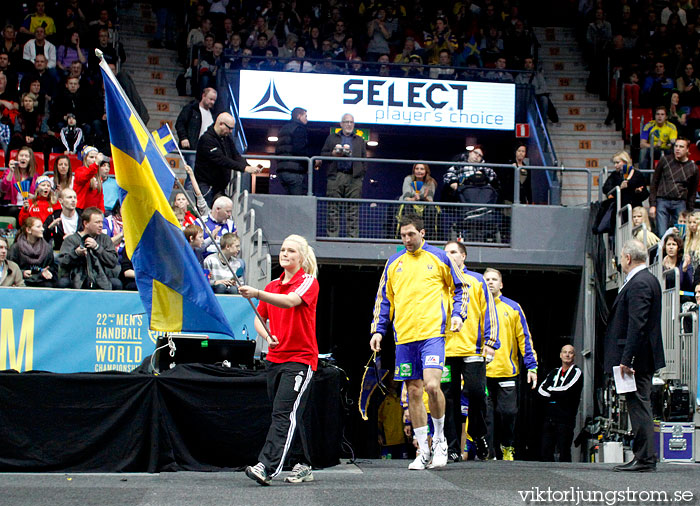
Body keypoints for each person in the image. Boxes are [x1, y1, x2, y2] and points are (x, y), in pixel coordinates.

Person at [370, 215, 467, 470]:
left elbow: (461, 288)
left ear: (422, 233)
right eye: (402, 236)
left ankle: (441, 441)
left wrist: (458, 314)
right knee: (413, 391)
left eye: (411, 234)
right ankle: (423, 449)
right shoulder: (394, 262)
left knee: (433, 386)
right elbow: (384, 299)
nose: (406, 240)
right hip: (404, 337)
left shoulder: (439, 257)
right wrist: (378, 331)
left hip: (433, 333)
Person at [239, 234, 319, 486]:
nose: (285, 254)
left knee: (283, 413)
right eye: (283, 250)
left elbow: (290, 301)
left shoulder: (308, 282)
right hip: (275, 358)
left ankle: (267, 466)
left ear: (302, 258)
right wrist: (267, 335)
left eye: (291, 251)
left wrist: (257, 293)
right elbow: (258, 319)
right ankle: (303, 463)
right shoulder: (273, 285)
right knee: (287, 413)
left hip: (300, 359)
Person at [604, 239, 664, 472]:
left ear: (627, 258)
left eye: (621, 257)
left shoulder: (639, 282)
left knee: (639, 404)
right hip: (638, 355)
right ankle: (643, 455)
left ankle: (646, 458)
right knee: (637, 403)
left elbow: (637, 325)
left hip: (636, 358)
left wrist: (627, 359)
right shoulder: (647, 279)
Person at [442, 241, 498, 462]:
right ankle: (453, 447)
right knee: (448, 399)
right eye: (446, 253)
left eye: (453, 252)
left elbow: (489, 310)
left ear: (463, 256)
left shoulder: (476, 280)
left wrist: (491, 341)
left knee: (476, 393)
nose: (449, 256)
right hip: (445, 349)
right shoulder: (440, 280)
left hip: (473, 348)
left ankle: (478, 433)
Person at [483, 268, 538, 461]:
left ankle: (506, 445)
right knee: (485, 415)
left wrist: (532, 366)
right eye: (487, 279)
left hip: (507, 371)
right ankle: (487, 452)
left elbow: (524, 338)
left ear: (501, 284)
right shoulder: (477, 308)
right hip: (482, 373)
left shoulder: (513, 307)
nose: (490, 282)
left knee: (508, 413)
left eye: (494, 279)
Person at [193, 112, 261, 207]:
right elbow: (222, 160)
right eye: (229, 128)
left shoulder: (226, 138)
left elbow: (235, 155)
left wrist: (249, 166)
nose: (230, 132)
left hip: (219, 187)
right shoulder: (206, 140)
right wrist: (244, 168)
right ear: (221, 124)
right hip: (206, 186)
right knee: (205, 215)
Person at [317, 113, 367, 237]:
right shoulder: (331, 138)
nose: (349, 125)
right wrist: (333, 154)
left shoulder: (360, 140)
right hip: (336, 176)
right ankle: (332, 238)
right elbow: (323, 156)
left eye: (351, 122)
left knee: (353, 210)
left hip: (354, 178)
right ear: (341, 124)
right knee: (333, 209)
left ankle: (352, 239)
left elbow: (365, 160)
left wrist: (360, 175)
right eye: (346, 122)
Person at [538, 344, 583, 462]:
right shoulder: (554, 372)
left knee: (564, 450)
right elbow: (541, 389)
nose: (567, 355)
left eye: (570, 352)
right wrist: (555, 393)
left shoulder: (576, 372)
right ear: (560, 355)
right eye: (564, 352)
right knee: (546, 450)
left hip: (565, 418)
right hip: (550, 417)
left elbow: (567, 390)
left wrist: (551, 391)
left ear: (574, 356)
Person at [57, 206, 120, 290]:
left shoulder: (105, 239)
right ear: (86, 223)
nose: (101, 225)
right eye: (97, 222)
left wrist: (97, 248)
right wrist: (76, 253)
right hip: (76, 276)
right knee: (63, 283)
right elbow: (62, 261)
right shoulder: (71, 240)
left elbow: (113, 261)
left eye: (101, 222)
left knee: (117, 284)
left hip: (101, 276)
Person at [649, 137, 698, 237]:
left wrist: (689, 211)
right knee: (662, 234)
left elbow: (692, 191)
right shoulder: (665, 161)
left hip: (680, 202)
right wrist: (652, 204)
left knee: (680, 235)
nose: (677, 149)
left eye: (681, 147)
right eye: (676, 146)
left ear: (687, 150)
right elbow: (654, 182)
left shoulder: (693, 167)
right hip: (662, 200)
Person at [7, 215, 56, 287]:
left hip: (41, 280)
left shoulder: (47, 248)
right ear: (28, 230)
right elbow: (9, 267)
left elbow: (52, 268)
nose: (42, 229)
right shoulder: (16, 248)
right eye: (38, 227)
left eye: (42, 226)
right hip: (22, 280)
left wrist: (47, 272)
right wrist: (22, 272)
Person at [275, 107, 309, 195]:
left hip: (282, 170)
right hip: (295, 171)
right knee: (298, 203)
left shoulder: (283, 129)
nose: (307, 120)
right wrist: (309, 162)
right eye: (305, 116)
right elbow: (299, 150)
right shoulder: (299, 129)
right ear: (299, 116)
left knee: (290, 201)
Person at [639, 106, 677, 170]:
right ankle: (643, 177)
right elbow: (642, 144)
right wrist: (655, 145)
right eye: (658, 114)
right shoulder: (648, 126)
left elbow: (673, 140)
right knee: (643, 151)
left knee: (675, 150)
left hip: (666, 150)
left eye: (662, 114)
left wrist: (671, 142)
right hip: (653, 150)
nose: (660, 116)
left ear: (666, 117)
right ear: (655, 116)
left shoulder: (671, 126)